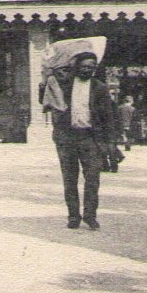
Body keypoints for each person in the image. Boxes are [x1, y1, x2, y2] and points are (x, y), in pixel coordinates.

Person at [45, 51, 120, 229]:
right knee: (69, 179)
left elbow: (108, 116)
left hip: (90, 138)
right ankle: (73, 216)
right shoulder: (63, 85)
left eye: (91, 67)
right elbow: (47, 94)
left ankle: (90, 215)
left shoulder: (100, 88)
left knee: (93, 178)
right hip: (67, 138)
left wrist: (110, 142)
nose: (87, 70)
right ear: (76, 67)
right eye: (84, 66)